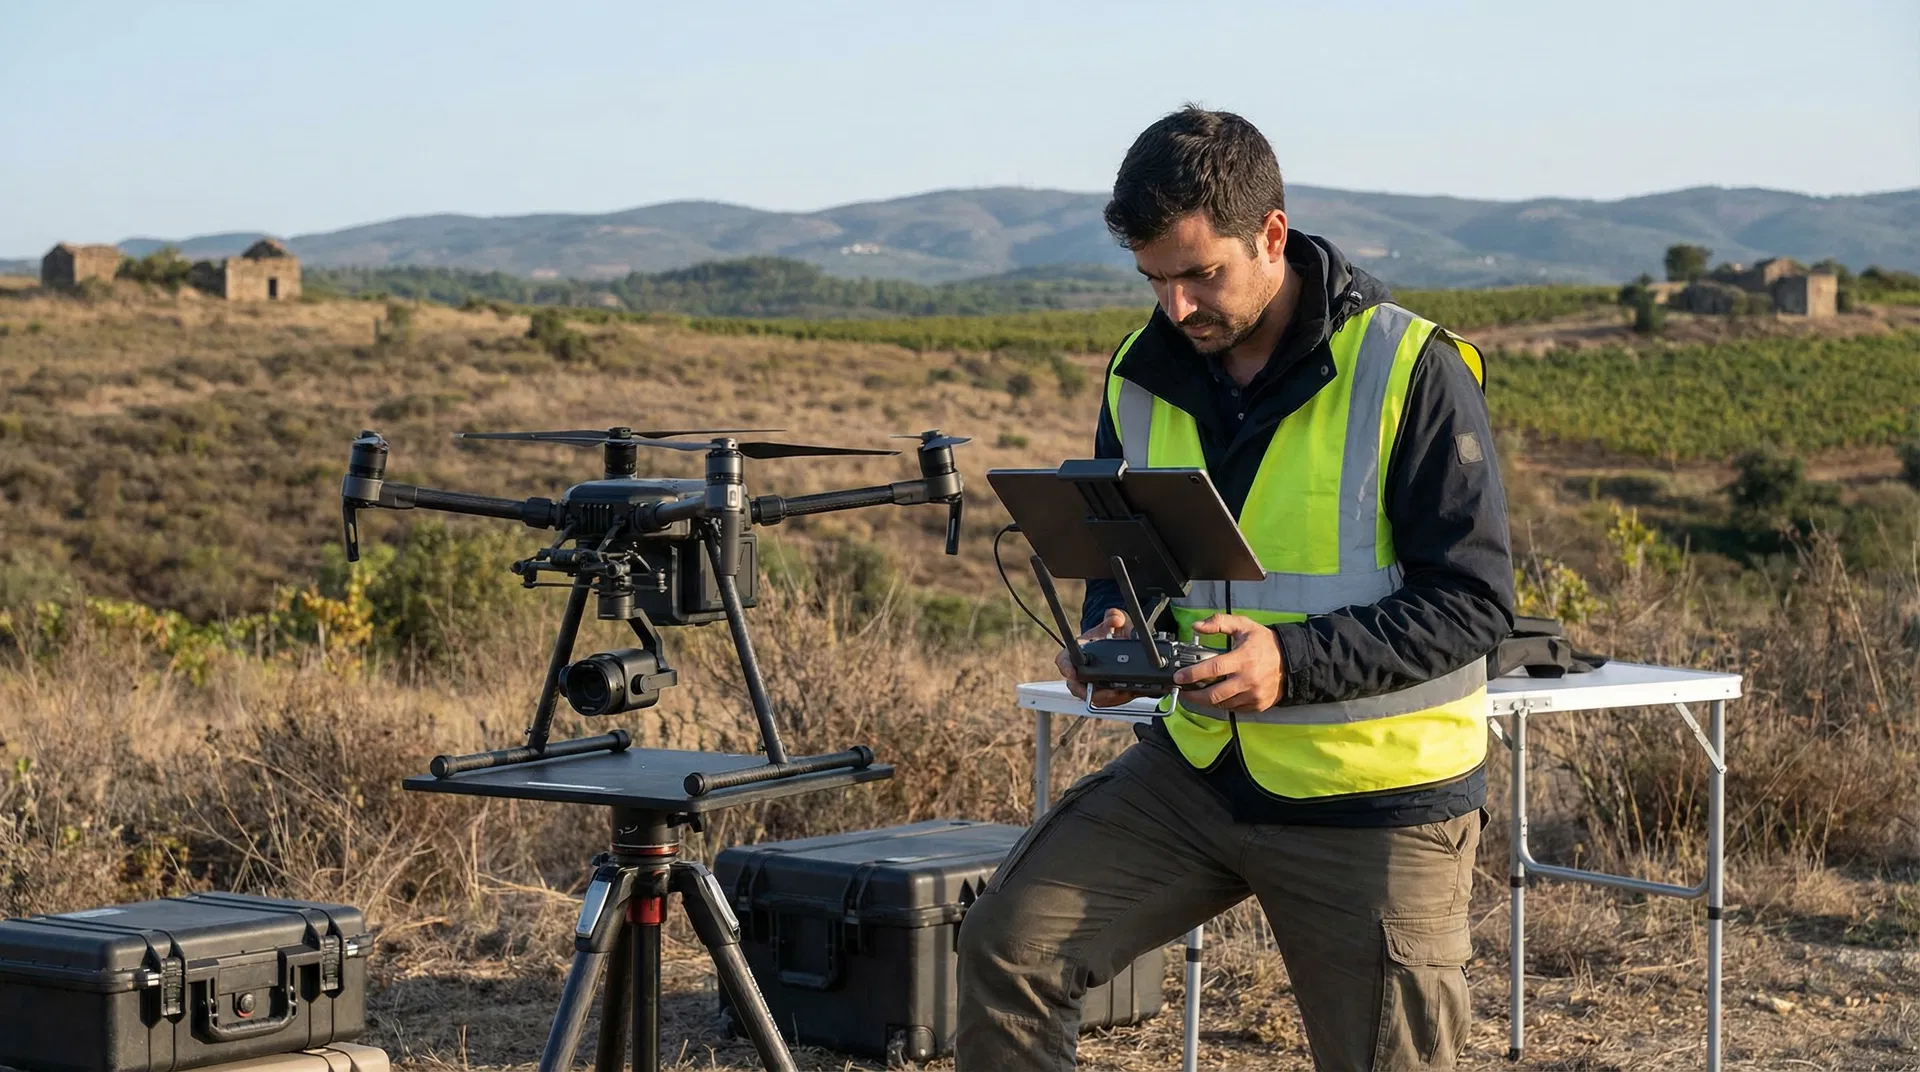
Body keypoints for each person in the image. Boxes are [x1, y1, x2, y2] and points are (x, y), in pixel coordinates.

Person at [955, 106, 1515, 1072]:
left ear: (1271, 235)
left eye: (1199, 273)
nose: (1175, 306)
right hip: (1200, 772)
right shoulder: (1141, 370)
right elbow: (1127, 551)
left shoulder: (1407, 368)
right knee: (1010, 947)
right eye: (1153, 279)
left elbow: (1474, 603)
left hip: (1376, 796)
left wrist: (1287, 661)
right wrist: (1116, 626)